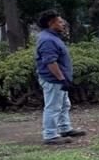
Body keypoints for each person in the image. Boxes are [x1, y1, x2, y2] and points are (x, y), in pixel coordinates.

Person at [35, 10, 85, 145]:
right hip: (53, 79)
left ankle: (65, 128)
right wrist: (61, 78)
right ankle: (50, 135)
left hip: (59, 78)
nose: (63, 24)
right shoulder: (47, 40)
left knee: (64, 104)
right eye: (60, 21)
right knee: (53, 106)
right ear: (51, 23)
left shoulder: (53, 37)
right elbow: (50, 62)